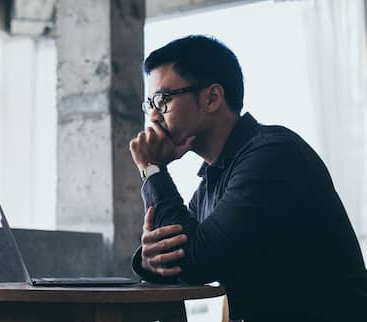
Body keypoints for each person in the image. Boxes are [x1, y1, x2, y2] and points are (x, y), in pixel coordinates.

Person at [129, 35, 367, 322]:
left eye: (163, 99)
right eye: (150, 103)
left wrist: (152, 169)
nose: (153, 115)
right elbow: (181, 255)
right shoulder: (212, 182)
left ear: (212, 97)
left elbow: (197, 262)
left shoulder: (273, 156)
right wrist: (148, 258)